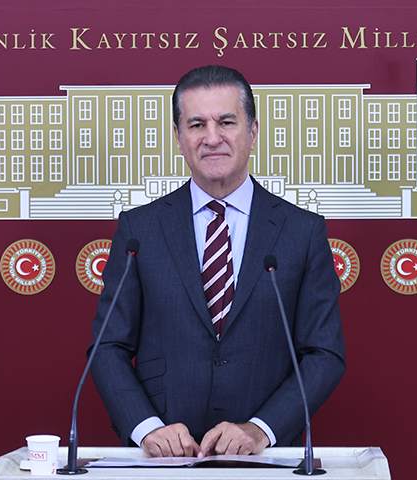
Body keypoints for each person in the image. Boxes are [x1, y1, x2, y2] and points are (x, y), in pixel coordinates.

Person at [87, 65, 345, 458]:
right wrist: (147, 428)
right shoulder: (139, 229)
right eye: (196, 125)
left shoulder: (302, 231)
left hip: (263, 458)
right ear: (178, 136)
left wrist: (261, 429)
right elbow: (109, 346)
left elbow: (324, 353)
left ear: (252, 132)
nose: (212, 138)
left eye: (226, 122)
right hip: (164, 459)